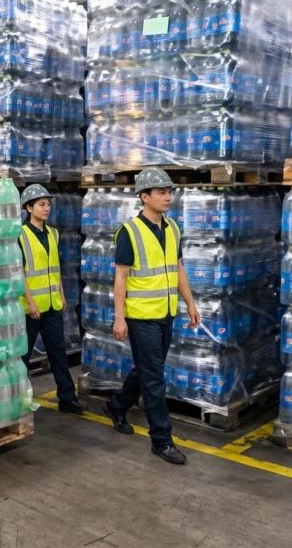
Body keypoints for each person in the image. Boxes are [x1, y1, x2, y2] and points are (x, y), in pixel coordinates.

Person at [101, 168, 200, 465]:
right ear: (144, 197)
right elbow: (120, 277)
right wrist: (119, 317)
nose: (168, 196)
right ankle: (162, 440)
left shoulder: (173, 229)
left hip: (166, 312)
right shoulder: (129, 232)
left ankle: (117, 405)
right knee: (155, 377)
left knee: (148, 368)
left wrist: (190, 304)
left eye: (169, 191)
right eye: (160, 192)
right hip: (141, 316)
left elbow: (178, 268)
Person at [18, 184, 84, 415]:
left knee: (58, 352)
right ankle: (19, 400)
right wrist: (31, 302)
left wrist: (62, 294)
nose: (46, 209)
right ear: (29, 208)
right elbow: (20, 272)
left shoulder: (53, 234)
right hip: (31, 308)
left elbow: (54, 269)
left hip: (53, 304)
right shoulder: (21, 236)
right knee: (23, 357)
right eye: (41, 204)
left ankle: (67, 398)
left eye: (48, 204)